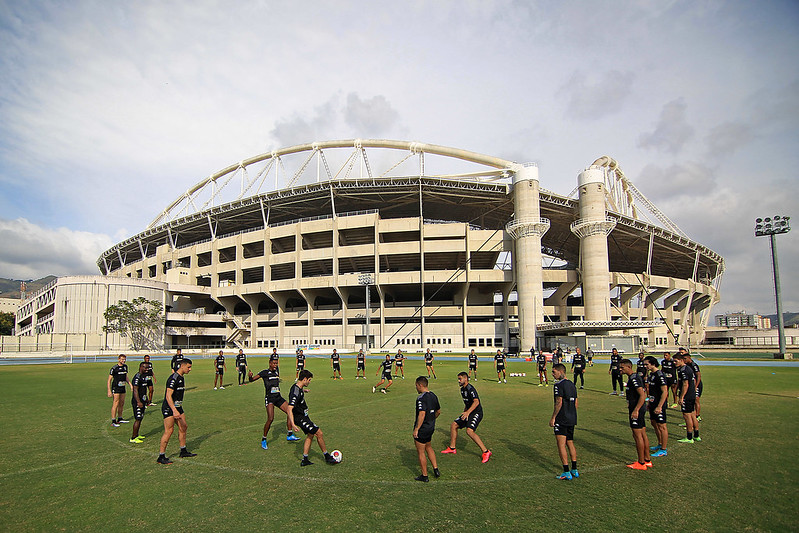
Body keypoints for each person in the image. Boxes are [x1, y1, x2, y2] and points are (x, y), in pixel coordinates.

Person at [286, 370, 338, 466]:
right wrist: (293, 424)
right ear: (304, 379)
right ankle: (327, 457)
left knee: (310, 434)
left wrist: (304, 391)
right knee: (319, 433)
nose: (309, 382)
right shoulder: (295, 392)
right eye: (309, 380)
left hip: (304, 416)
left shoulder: (298, 387)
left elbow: (298, 391)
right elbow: (289, 408)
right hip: (300, 418)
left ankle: (305, 459)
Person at [247, 358, 300, 449]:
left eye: (276, 363)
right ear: (270, 363)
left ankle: (290, 434)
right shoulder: (264, 373)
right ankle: (264, 439)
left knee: (290, 410)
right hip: (270, 399)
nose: (275, 365)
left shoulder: (276, 373)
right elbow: (252, 380)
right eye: (274, 363)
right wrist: (250, 376)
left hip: (278, 398)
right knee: (271, 418)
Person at [442, 372, 492, 463]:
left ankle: (486, 451)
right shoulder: (462, 390)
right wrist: (465, 412)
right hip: (468, 412)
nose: (458, 381)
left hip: (476, 412)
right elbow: (467, 403)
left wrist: (468, 412)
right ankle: (452, 448)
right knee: (454, 425)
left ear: (466, 379)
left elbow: (476, 402)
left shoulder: (470, 389)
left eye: (460, 379)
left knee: (469, 431)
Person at [157, 358, 196, 464]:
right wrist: (174, 410)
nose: (190, 369)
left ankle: (183, 451)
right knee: (169, 431)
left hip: (178, 407)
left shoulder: (181, 377)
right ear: (182, 366)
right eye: (188, 367)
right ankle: (161, 456)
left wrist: (177, 408)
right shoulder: (173, 378)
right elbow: (168, 396)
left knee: (184, 427)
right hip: (169, 408)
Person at [620, 359, 652, 470]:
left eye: (622, 367)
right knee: (642, 434)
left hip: (637, 410)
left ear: (628, 367)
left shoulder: (634, 378)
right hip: (638, 408)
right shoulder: (632, 378)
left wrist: (636, 410)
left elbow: (642, 395)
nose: (620, 369)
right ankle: (647, 460)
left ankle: (641, 462)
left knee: (637, 435)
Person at [550, 363, 579, 480]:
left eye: (554, 372)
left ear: (561, 372)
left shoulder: (558, 386)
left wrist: (553, 418)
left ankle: (566, 471)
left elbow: (559, 402)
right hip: (572, 417)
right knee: (570, 442)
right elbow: (576, 402)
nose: (553, 374)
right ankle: (574, 469)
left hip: (562, 418)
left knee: (561, 444)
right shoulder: (572, 384)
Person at [413, 376, 441, 482]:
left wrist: (417, 429)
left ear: (420, 385)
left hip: (423, 429)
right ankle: (435, 469)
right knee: (429, 447)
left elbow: (422, 414)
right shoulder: (433, 395)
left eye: (416, 386)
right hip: (431, 427)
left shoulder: (421, 398)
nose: (416, 388)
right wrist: (431, 420)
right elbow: (438, 411)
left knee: (421, 451)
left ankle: (424, 476)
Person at [644, 356, 669, 457]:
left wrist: (659, 406)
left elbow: (665, 392)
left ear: (653, 364)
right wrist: (649, 403)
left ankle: (663, 449)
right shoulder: (651, 374)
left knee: (662, 426)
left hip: (659, 404)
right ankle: (660, 444)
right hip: (653, 403)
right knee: (654, 423)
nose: (645, 366)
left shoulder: (660, 375)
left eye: (647, 364)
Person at [674, 354, 700, 443]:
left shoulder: (683, 370)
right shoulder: (687, 369)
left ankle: (689, 437)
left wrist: (681, 397)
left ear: (681, 360)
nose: (674, 363)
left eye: (675, 361)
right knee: (693, 414)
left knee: (687, 416)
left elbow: (685, 384)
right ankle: (696, 435)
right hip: (692, 394)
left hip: (687, 395)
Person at [107, 354, 132, 427]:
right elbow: (109, 380)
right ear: (118, 359)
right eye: (122, 359)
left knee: (122, 403)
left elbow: (125, 377)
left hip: (122, 387)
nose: (123, 361)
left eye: (124, 359)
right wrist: (109, 390)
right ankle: (113, 420)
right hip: (116, 387)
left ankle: (120, 418)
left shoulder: (125, 367)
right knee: (116, 403)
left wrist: (130, 384)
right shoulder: (114, 368)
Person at [130, 362, 149, 443]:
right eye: (145, 368)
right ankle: (133, 438)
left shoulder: (144, 376)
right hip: (137, 402)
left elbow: (143, 389)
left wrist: (146, 398)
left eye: (148, 368)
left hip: (143, 400)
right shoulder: (137, 377)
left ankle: (137, 434)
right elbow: (135, 390)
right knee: (137, 419)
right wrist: (138, 402)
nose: (147, 369)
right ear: (141, 367)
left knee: (140, 418)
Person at [684, 351, 703, 421]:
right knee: (691, 401)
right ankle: (691, 418)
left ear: (689, 358)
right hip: (691, 385)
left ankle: (697, 416)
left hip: (696, 385)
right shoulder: (686, 366)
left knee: (696, 400)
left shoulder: (693, 365)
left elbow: (698, 375)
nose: (684, 360)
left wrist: (696, 386)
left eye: (685, 359)